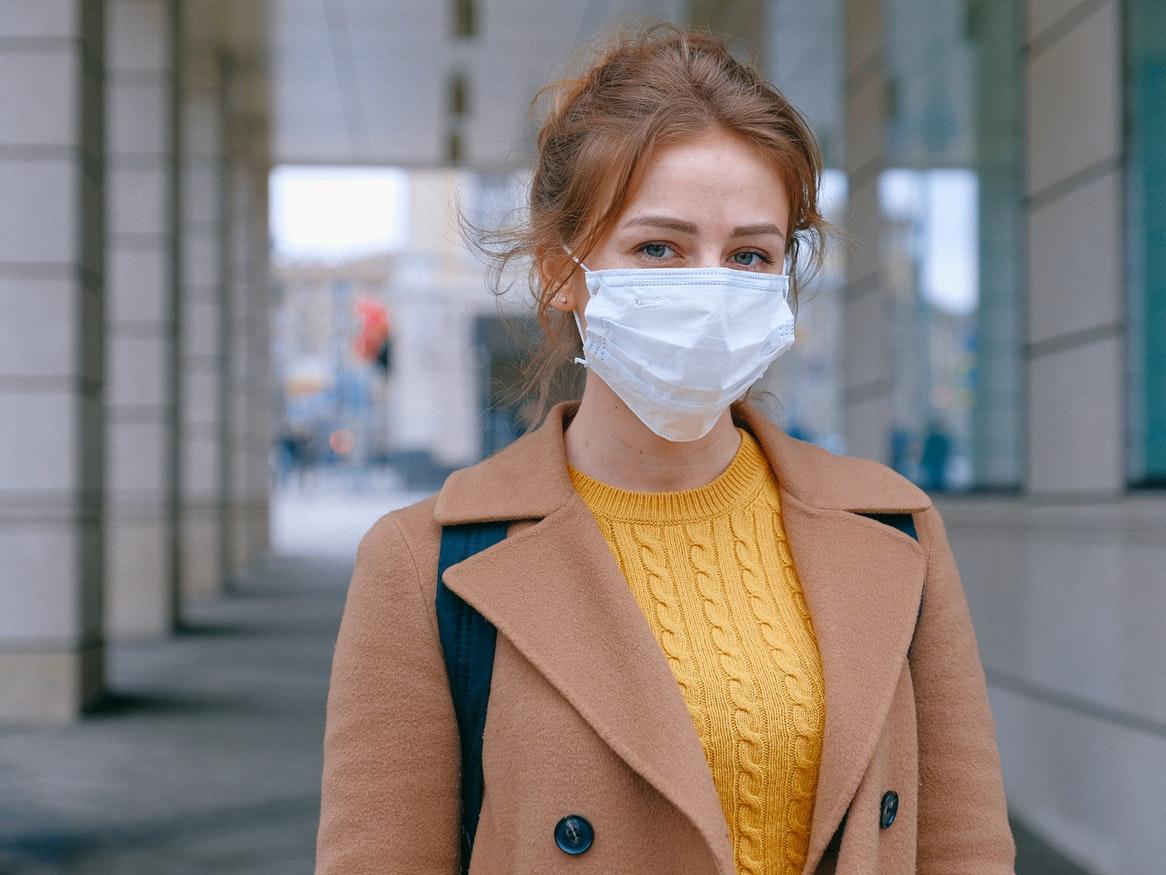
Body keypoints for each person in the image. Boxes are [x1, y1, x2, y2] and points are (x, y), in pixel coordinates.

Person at [315, 24, 1014, 874]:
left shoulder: (895, 529)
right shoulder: (423, 562)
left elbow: (965, 847)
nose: (709, 288)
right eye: (659, 248)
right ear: (560, 269)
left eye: (749, 254)